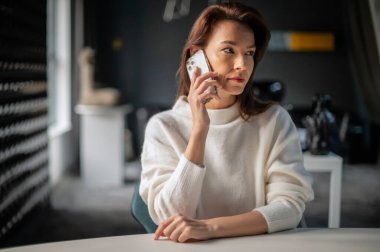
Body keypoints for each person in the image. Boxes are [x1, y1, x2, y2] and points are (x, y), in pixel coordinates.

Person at [139, 2, 314, 243]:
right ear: (196, 57)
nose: (243, 65)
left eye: (249, 53)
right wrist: (200, 130)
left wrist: (210, 228)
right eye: (229, 50)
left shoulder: (274, 121)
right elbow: (169, 218)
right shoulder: (163, 128)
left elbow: (289, 208)